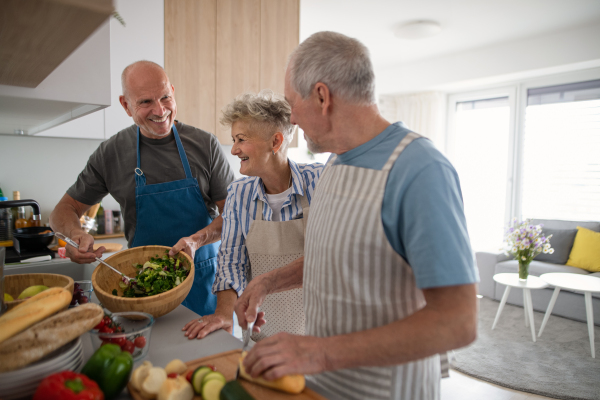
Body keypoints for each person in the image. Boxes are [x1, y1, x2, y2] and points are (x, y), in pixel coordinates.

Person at [235, 32, 479, 400]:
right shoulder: (336, 159)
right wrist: (269, 282)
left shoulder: (419, 169)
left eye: (292, 104)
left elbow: (457, 322)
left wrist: (318, 351)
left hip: (386, 390)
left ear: (322, 96)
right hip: (323, 384)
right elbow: (340, 256)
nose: (292, 118)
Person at [49, 60, 235, 316]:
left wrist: (197, 240)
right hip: (143, 288)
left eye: (165, 97)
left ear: (172, 90)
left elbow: (234, 215)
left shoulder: (206, 145)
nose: (160, 110)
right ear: (126, 105)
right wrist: (74, 235)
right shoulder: (111, 153)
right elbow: (63, 210)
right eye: (146, 102)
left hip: (203, 284)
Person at [182, 90, 323, 340]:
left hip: (319, 335)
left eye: (241, 139)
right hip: (262, 336)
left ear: (275, 142)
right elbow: (232, 262)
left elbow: (332, 258)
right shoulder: (239, 193)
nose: (234, 149)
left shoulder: (320, 181)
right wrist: (224, 314)